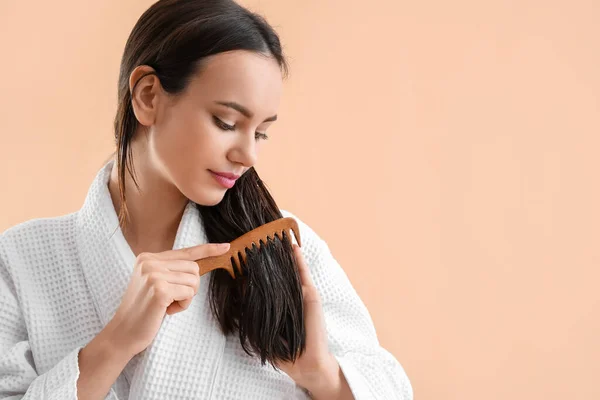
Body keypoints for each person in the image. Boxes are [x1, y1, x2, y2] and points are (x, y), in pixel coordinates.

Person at [0, 0, 413, 399]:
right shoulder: (21, 261)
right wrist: (115, 342)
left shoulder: (283, 252)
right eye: (226, 122)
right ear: (148, 96)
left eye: (261, 132)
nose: (248, 154)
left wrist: (320, 375)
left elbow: (389, 388)